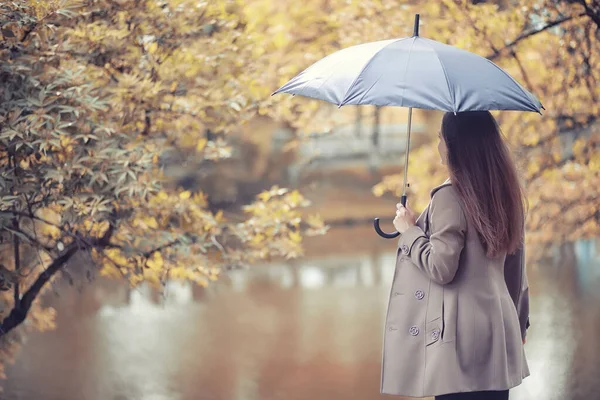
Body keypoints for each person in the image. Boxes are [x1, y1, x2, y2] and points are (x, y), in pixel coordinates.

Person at [381, 111, 530, 400]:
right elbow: (516, 270)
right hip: (499, 333)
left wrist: (409, 231)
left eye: (441, 138)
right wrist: (520, 322)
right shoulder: (506, 193)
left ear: (455, 144)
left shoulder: (450, 197)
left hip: (460, 343)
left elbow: (441, 267)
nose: (438, 145)